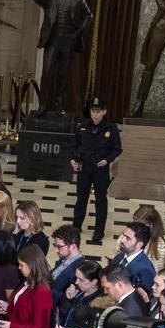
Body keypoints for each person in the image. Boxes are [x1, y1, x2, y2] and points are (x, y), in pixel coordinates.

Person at [70, 99, 121, 244]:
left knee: (100, 200)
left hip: (100, 168)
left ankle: (99, 230)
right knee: (81, 198)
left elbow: (117, 149)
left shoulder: (111, 128)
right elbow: (75, 146)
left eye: (98, 111)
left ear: (104, 111)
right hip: (84, 167)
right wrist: (74, 159)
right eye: (93, 111)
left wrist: (107, 160)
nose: (95, 115)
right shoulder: (83, 126)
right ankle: (76, 227)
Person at [107, 222, 158, 298]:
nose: (122, 240)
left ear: (139, 245)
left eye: (128, 238)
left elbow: (143, 298)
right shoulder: (119, 257)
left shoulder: (145, 269)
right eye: (123, 236)